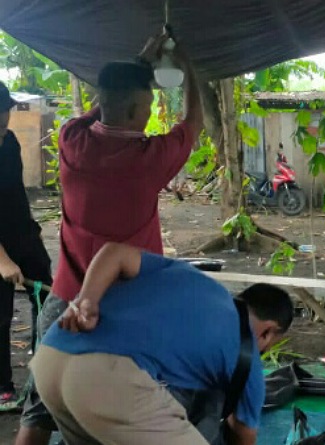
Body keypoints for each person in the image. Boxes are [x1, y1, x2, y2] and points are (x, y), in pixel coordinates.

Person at [16, 33, 203, 445]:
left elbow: (104, 107)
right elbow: (193, 123)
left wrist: (137, 63)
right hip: (124, 313)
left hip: (64, 302)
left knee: (39, 411)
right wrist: (187, 67)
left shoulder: (71, 141)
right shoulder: (149, 160)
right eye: (149, 106)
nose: (151, 112)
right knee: (115, 416)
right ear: (138, 109)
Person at [31, 242, 293, 445]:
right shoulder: (249, 364)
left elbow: (114, 252)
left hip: (51, 358)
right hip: (107, 381)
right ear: (267, 333)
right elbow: (243, 434)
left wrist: (87, 299)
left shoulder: (194, 280)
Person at [0, 81, 53, 405]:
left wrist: (29, 235)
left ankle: (44, 366)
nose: (1, 121)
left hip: (22, 233)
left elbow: (15, 194)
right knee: (0, 315)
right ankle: (2, 384)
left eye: (3, 112)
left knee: (47, 298)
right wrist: (3, 260)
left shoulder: (10, 143)